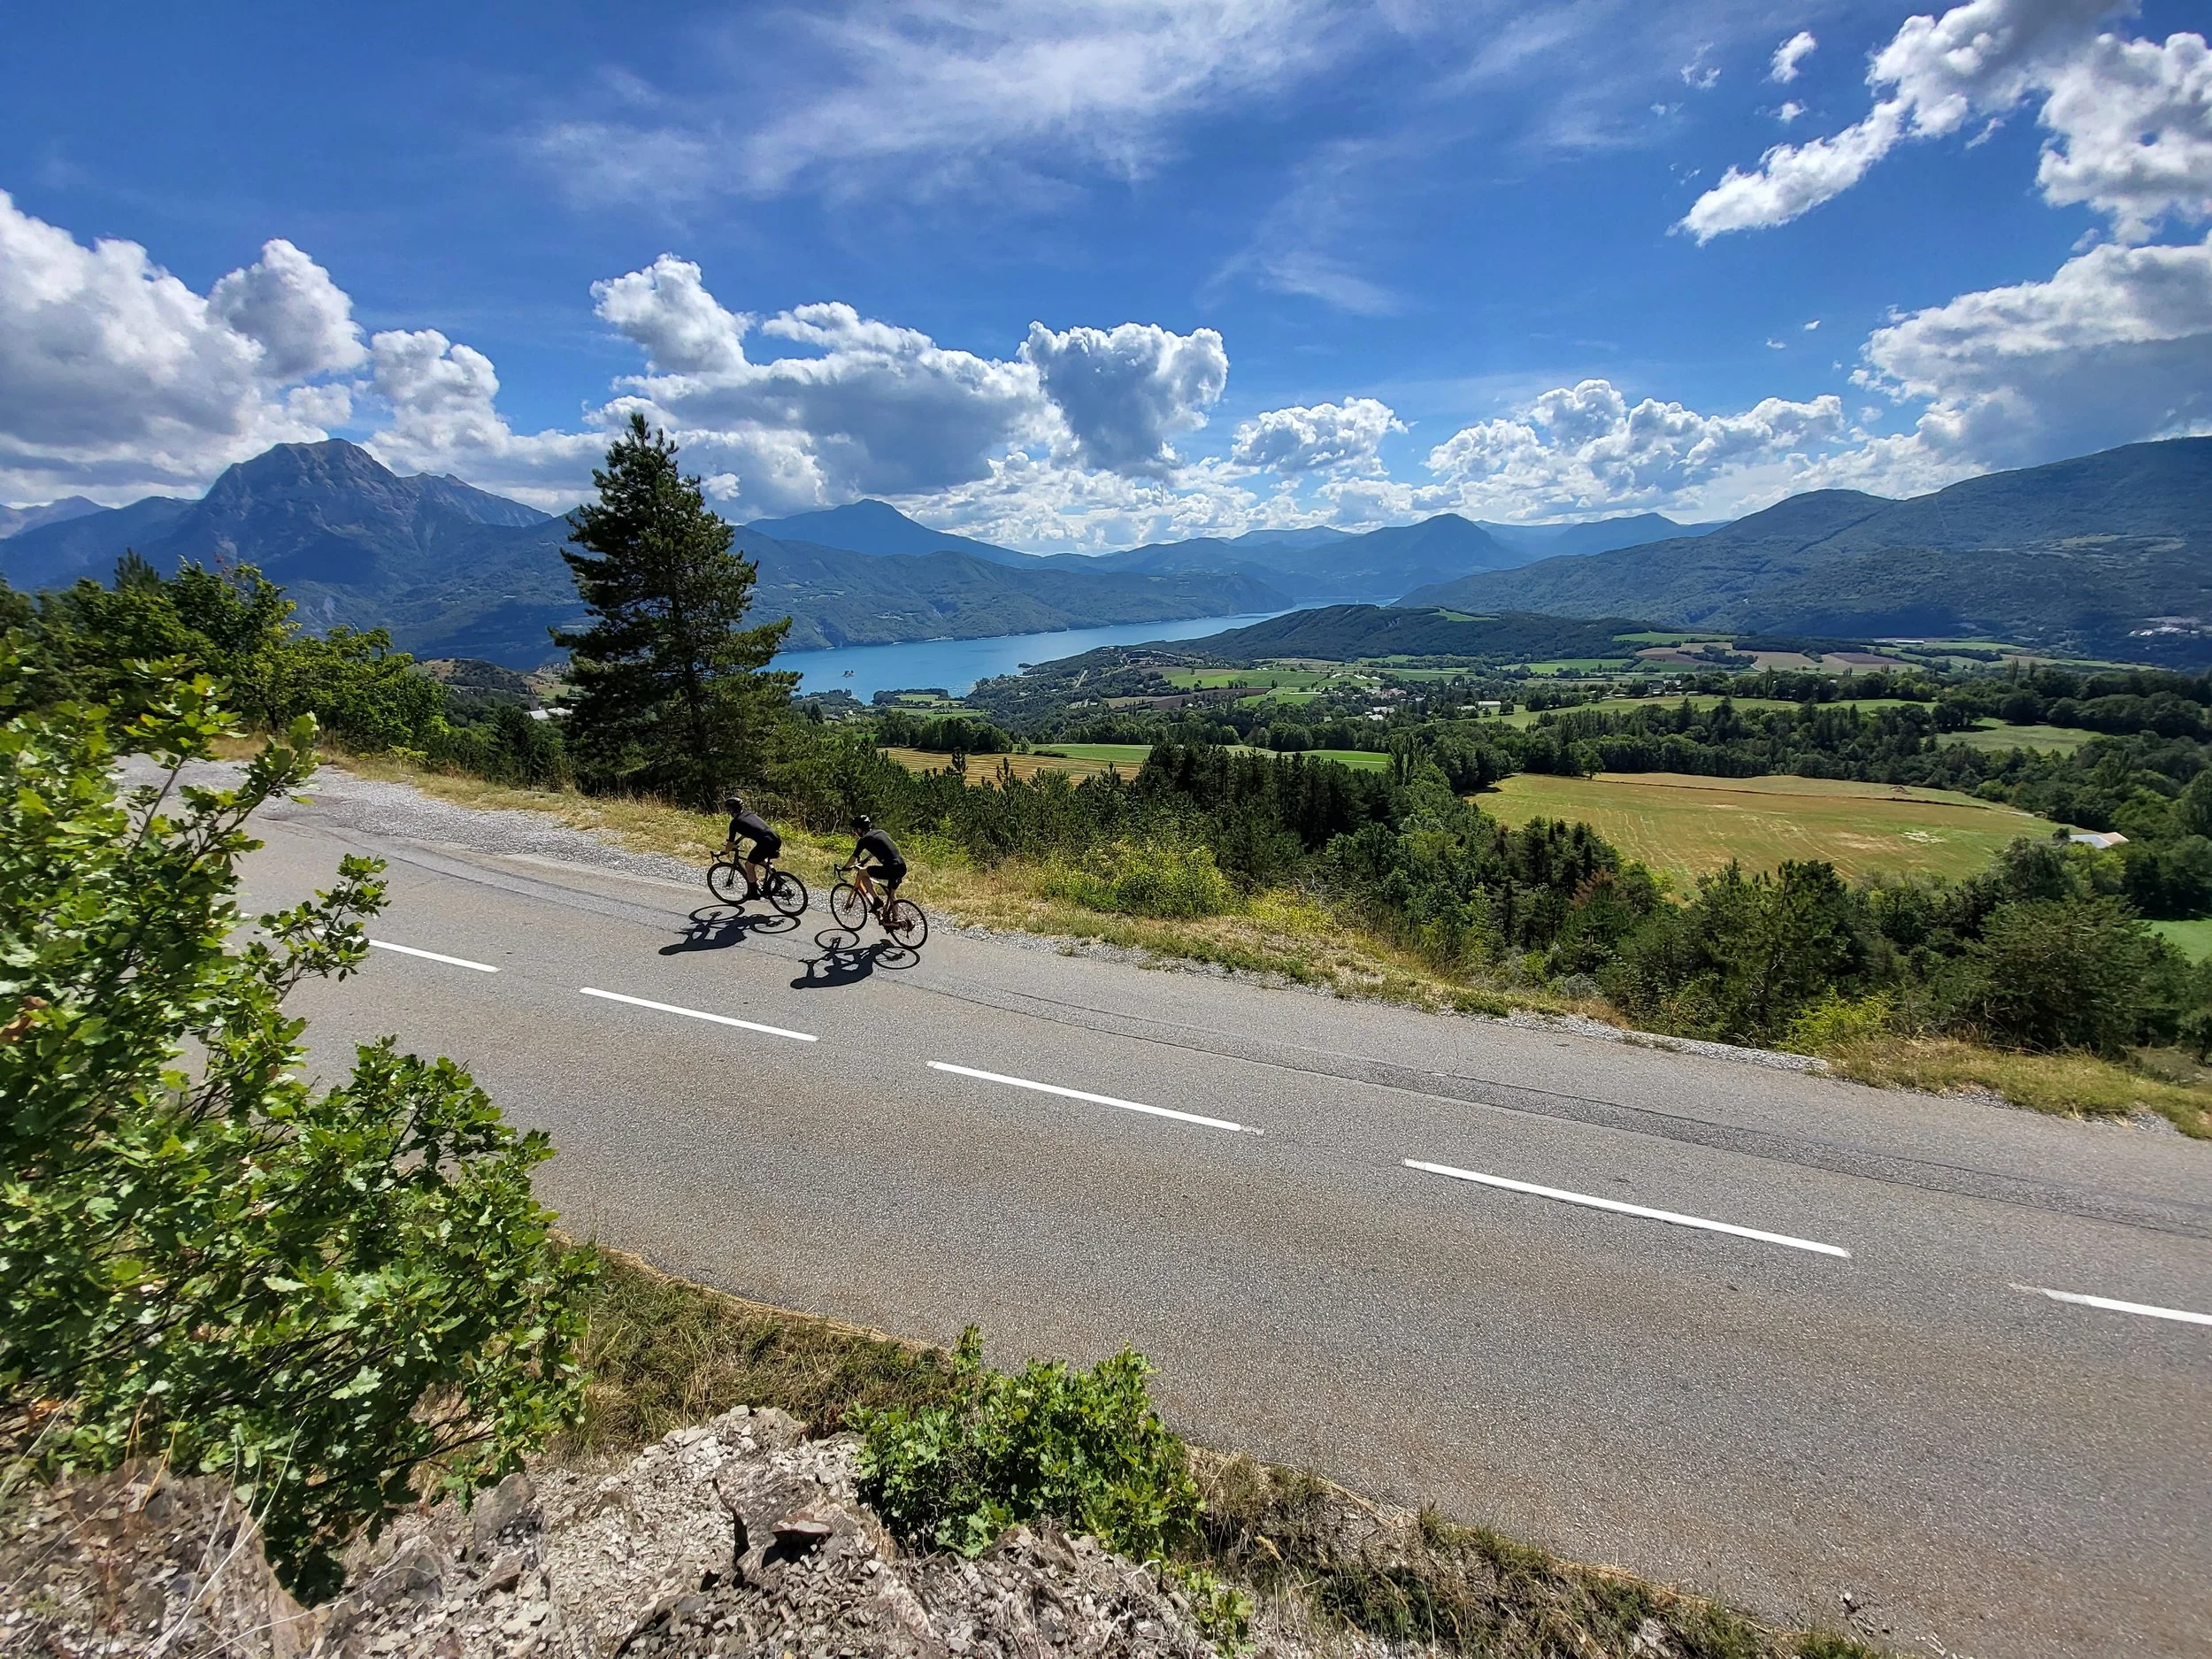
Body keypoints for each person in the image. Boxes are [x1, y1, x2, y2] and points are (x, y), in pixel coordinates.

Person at [847, 815, 907, 918]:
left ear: (860, 829)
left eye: (855, 830)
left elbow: (852, 859)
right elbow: (881, 848)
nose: (855, 833)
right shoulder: (881, 832)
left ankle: (877, 900)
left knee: (862, 872)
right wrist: (866, 860)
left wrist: (845, 868)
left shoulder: (864, 840)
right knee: (891, 894)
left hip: (891, 868)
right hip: (902, 865)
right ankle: (896, 920)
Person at [722, 795, 780, 901]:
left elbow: (730, 843)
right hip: (775, 838)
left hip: (765, 843)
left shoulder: (735, 823)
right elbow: (751, 829)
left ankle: (753, 893)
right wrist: (737, 841)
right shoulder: (749, 814)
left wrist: (725, 852)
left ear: (730, 810)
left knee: (749, 865)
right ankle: (779, 880)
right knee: (761, 859)